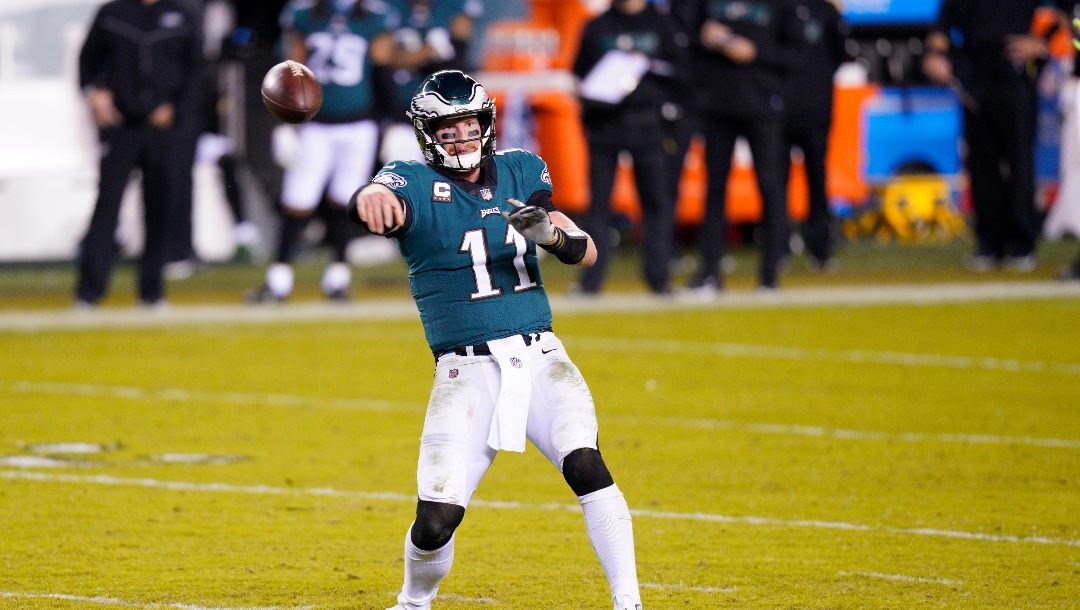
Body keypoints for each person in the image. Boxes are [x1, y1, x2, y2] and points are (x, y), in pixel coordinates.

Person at [349, 70, 643, 610]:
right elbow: (378, 192)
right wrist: (368, 196)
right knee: (436, 521)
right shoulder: (410, 180)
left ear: (484, 124)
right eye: (448, 128)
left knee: (586, 463)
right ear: (427, 134)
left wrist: (552, 237)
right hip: (466, 370)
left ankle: (629, 603)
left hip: (540, 356)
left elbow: (587, 250)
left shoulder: (520, 169)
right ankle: (414, 601)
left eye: (467, 125)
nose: (460, 137)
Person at [249, 0, 400, 302]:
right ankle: (279, 280)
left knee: (345, 200)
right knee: (298, 201)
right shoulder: (304, 13)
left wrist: (390, 121)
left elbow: (382, 68)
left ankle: (337, 279)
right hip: (315, 125)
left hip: (359, 123)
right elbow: (290, 72)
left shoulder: (375, 15)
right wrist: (283, 123)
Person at [75, 0, 202, 308]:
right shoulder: (113, 13)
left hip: (165, 130)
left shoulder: (181, 15)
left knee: (160, 209)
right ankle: (89, 293)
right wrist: (95, 92)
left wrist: (175, 109)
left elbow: (196, 72)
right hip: (122, 126)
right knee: (107, 206)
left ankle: (152, 291)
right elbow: (87, 61)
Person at [922, 0, 1054, 272]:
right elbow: (941, 26)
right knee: (982, 163)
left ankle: (1022, 243)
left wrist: (1044, 43)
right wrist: (934, 54)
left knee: (1019, 161)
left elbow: (1068, 14)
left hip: (1014, 69)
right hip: (975, 72)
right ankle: (989, 243)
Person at [572, 0, 686, 296]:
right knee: (598, 205)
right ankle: (590, 281)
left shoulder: (662, 24)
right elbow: (579, 74)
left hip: (647, 123)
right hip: (605, 124)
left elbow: (681, 71)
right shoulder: (597, 25)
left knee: (656, 203)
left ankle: (659, 278)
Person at [684, 0, 798, 294]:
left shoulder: (780, 7)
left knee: (771, 188)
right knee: (715, 190)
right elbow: (685, 41)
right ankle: (710, 272)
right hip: (717, 106)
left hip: (763, 106)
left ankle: (770, 275)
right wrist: (706, 39)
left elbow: (797, 54)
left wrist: (756, 52)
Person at [780, 0, 850, 272]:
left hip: (816, 110)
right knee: (776, 183)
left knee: (817, 180)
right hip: (781, 111)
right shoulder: (777, 8)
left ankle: (820, 248)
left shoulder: (826, 11)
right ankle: (779, 245)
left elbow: (839, 56)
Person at [380, 0, 482, 164]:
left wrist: (418, 57)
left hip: (446, 116)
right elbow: (384, 58)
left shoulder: (452, 8)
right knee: (403, 181)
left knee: (451, 182)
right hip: (404, 114)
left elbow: (458, 58)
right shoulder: (390, 8)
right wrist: (426, 53)